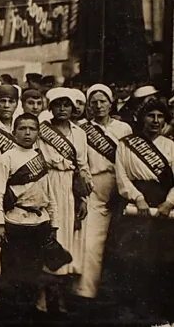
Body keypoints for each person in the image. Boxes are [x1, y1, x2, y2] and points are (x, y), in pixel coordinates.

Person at [102, 98, 174, 322]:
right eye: (150, 116)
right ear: (141, 118)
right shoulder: (126, 144)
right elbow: (122, 177)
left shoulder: (171, 146)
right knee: (130, 257)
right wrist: (138, 198)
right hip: (135, 206)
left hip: (163, 205)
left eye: (160, 117)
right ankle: (130, 308)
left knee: (162, 258)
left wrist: (169, 202)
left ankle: (159, 310)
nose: (155, 121)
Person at [0, 113, 59, 322]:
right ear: (13, 132)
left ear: (38, 133)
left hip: (39, 222)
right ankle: (10, 316)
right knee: (12, 274)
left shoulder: (40, 158)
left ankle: (30, 315)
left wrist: (53, 223)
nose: (27, 133)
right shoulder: (5, 158)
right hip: (15, 221)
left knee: (34, 274)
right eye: (22, 128)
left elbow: (49, 193)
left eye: (32, 129)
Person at [72, 84, 131, 303]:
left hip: (120, 185)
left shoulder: (124, 128)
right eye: (93, 102)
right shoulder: (82, 128)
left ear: (111, 102)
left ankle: (115, 293)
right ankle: (86, 292)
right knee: (92, 241)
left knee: (119, 241)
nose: (98, 106)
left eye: (103, 101)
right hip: (93, 187)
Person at [36, 87, 92, 313]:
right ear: (51, 107)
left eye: (67, 105)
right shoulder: (42, 131)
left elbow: (83, 166)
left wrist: (83, 198)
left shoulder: (79, 133)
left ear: (73, 108)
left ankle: (59, 296)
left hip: (69, 187)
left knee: (65, 240)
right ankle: (41, 295)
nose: (62, 109)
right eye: (58, 104)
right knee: (46, 237)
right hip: (46, 182)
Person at [0, 85, 19, 155]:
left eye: (11, 102)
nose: (6, 105)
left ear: (16, 104)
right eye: (2, 101)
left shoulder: (21, 123)